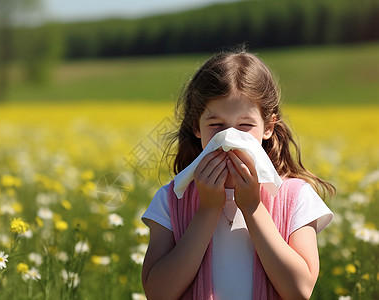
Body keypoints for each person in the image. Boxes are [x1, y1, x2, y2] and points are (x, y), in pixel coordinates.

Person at [141, 50, 335, 300]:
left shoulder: (295, 197)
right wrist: (208, 209)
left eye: (245, 126)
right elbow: (158, 293)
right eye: (216, 126)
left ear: (268, 127)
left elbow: (299, 291)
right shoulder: (171, 199)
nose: (230, 138)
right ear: (195, 126)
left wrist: (253, 207)